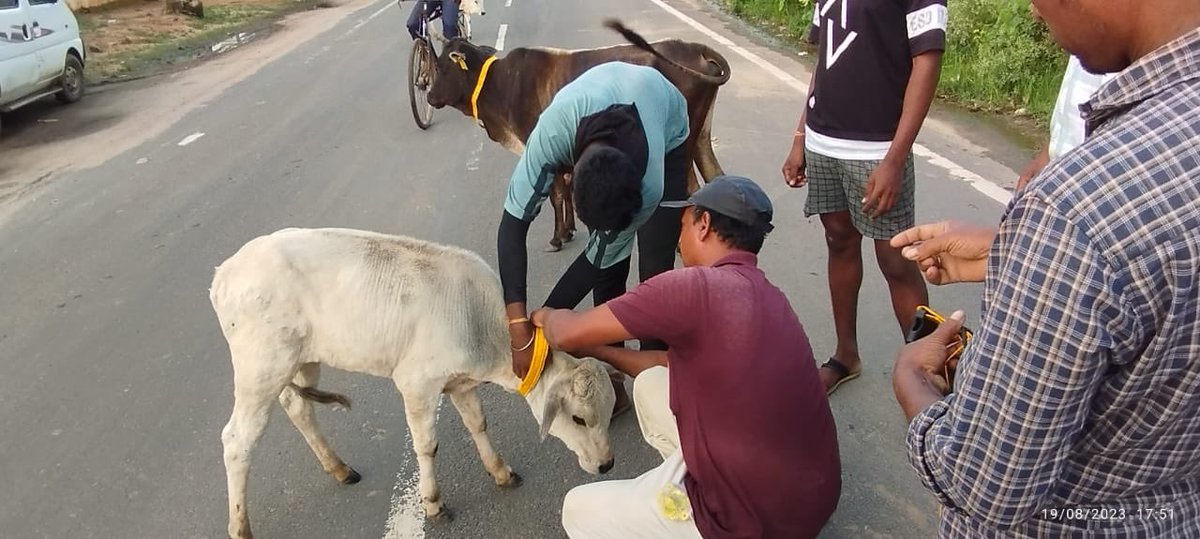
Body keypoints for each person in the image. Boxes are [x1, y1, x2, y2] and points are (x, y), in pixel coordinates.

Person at [890, 0, 1200, 534]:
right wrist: (1020, 254)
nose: (1035, 13)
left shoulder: (1074, 209)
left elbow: (986, 484)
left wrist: (913, 381)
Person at [532, 175, 841, 539]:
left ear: (704, 224)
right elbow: (665, 364)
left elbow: (564, 331)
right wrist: (595, 351)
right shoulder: (770, 296)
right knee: (650, 384)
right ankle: (691, 481)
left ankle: (691, 517)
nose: (678, 240)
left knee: (577, 509)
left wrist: (541, 317)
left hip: (744, 523)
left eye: (682, 226)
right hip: (811, 505)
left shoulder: (690, 287)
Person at [499, 62, 692, 416]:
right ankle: (615, 386)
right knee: (610, 271)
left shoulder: (651, 185)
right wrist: (519, 328)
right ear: (570, 178)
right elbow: (512, 224)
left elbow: (595, 258)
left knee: (655, 278)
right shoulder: (552, 135)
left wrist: (544, 328)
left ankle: (662, 395)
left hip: (667, 123)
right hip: (601, 97)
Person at [781, 0, 946, 395]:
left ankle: (934, 374)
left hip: (877, 150)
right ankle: (845, 355)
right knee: (839, 240)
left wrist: (895, 158)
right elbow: (825, 60)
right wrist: (801, 136)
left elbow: (927, 62)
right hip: (824, 141)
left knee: (897, 259)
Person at [1015, 3, 1118, 190]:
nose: (1035, 14)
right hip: (1061, 176)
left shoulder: (1127, 56)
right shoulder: (1092, 49)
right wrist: (1050, 152)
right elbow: (1076, 107)